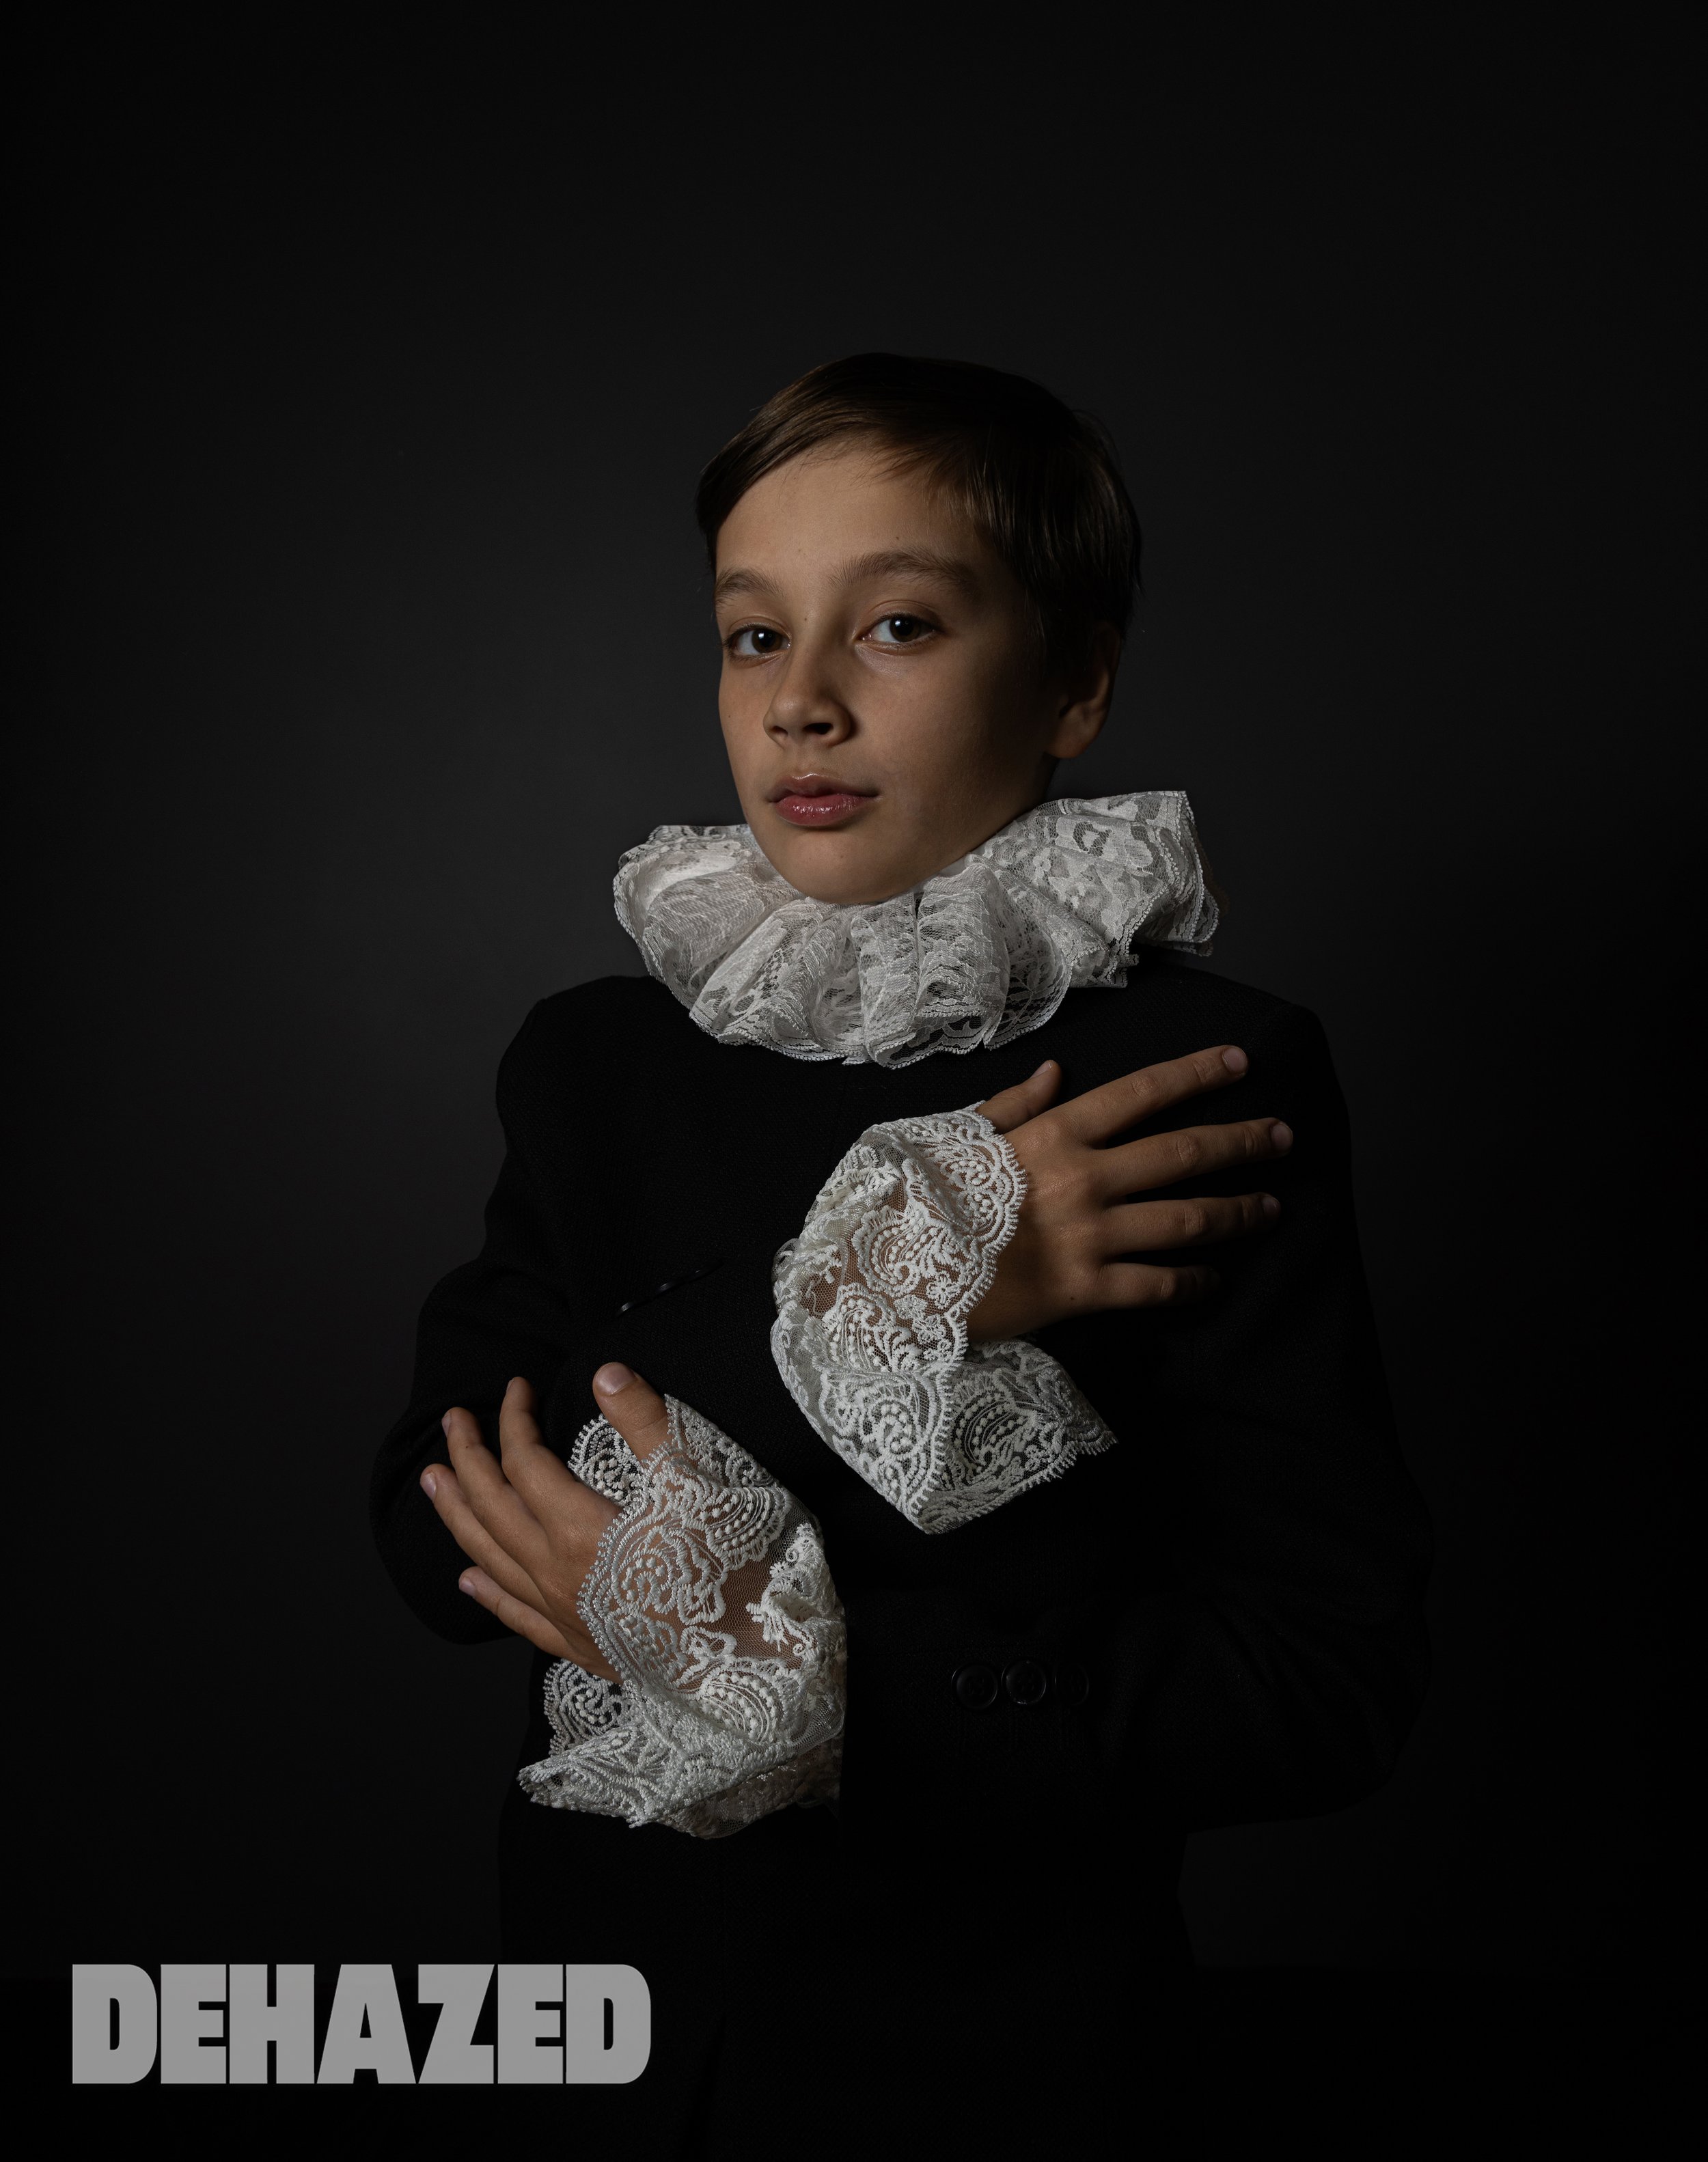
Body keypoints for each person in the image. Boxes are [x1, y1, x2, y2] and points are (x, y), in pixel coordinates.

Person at [370, 353, 1433, 2150]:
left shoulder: (1198, 1074)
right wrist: (877, 1287)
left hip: (1006, 2065)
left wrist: (825, 1689)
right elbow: (432, 1522)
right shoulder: (592, 1064)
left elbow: (1322, 1683)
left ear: (1074, 683)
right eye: (751, 636)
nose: (800, 702)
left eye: (897, 628)